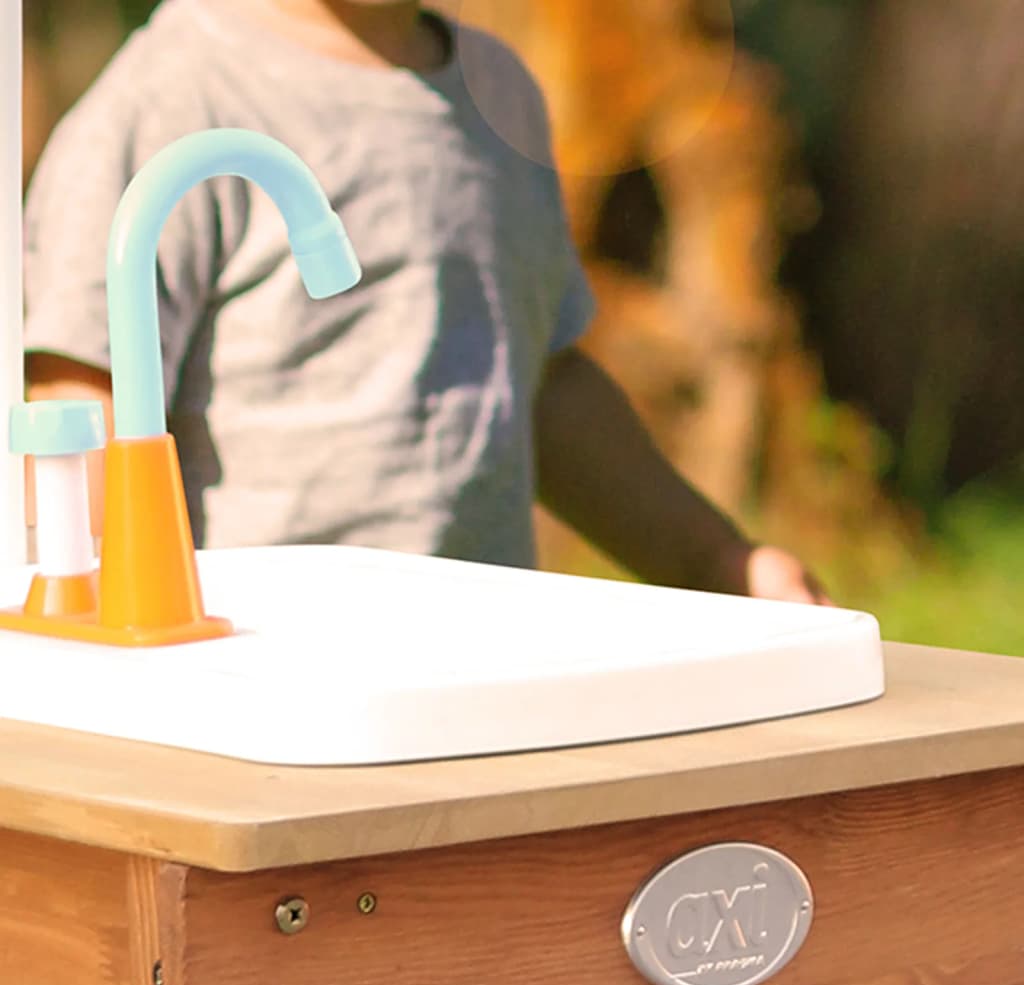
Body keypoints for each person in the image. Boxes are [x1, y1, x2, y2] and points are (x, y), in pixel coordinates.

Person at [23, 0, 831, 604]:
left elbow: (542, 383)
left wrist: (720, 563)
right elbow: (81, 394)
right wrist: (107, 639)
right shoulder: (170, 97)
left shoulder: (500, 92)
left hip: (478, 668)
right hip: (256, 686)